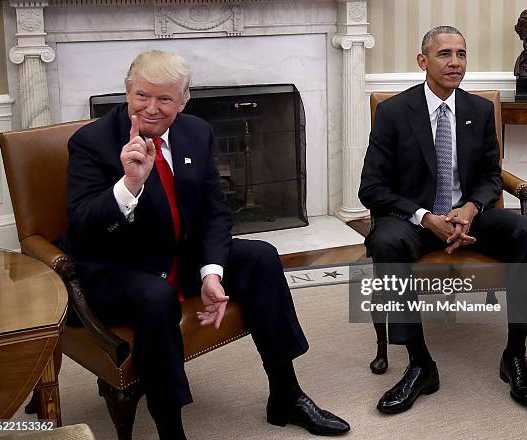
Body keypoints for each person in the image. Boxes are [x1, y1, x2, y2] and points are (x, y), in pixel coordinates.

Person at [66, 50, 350, 439]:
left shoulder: (196, 132)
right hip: (119, 268)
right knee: (155, 297)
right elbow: (83, 229)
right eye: (142, 96)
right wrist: (128, 185)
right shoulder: (91, 142)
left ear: (183, 101)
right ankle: (171, 428)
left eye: (165, 99)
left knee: (262, 257)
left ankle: (285, 393)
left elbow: (216, 211)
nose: (151, 108)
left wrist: (212, 271)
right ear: (127, 93)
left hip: (177, 254)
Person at [359, 26, 527, 413]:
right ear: (422, 61)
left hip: (470, 218)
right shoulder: (394, 112)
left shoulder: (479, 110)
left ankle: (514, 355)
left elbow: (492, 176)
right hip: (416, 221)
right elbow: (372, 188)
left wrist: (472, 208)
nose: (455, 62)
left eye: (461, 54)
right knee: (385, 242)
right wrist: (425, 216)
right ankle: (419, 364)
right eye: (444, 54)